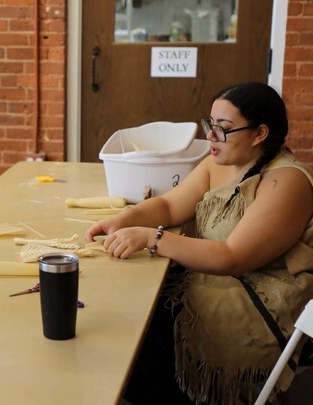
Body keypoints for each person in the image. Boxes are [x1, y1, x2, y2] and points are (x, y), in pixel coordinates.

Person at [85, 82, 313, 404]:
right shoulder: (218, 163)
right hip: (216, 276)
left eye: (224, 129)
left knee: (136, 329)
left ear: (260, 133)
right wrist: (125, 218)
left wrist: (153, 238)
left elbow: (233, 258)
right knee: (129, 308)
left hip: (257, 299)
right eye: (210, 124)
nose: (211, 137)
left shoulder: (286, 182)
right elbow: (168, 206)